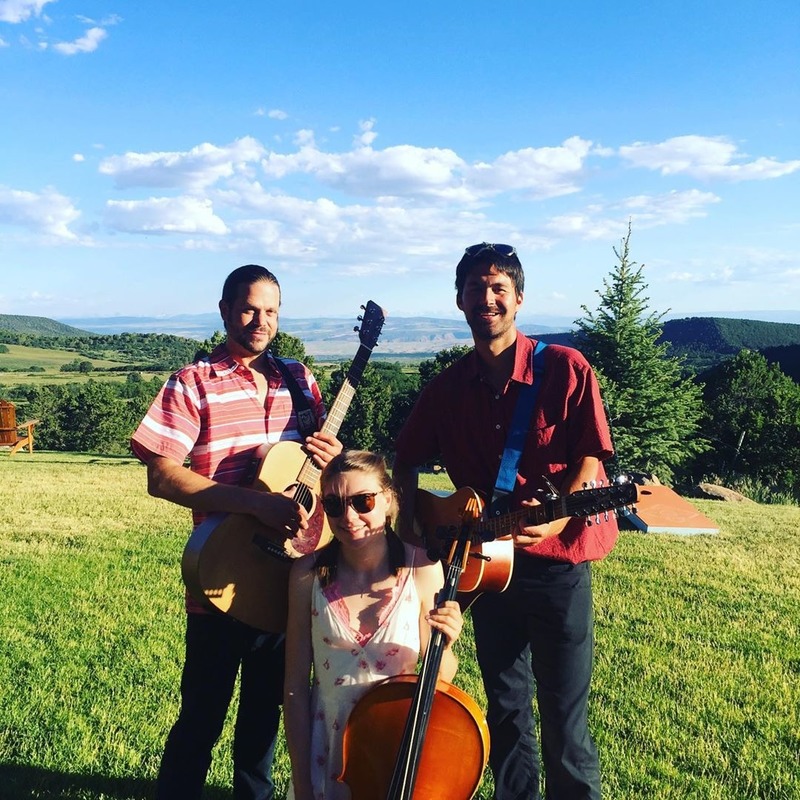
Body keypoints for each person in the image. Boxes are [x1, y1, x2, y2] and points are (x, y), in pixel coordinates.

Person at [392, 243, 620, 800]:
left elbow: (591, 453)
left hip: (556, 567)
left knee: (565, 715)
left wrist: (560, 517)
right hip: (485, 568)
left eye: (499, 288)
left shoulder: (564, 367)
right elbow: (406, 458)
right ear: (459, 300)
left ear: (519, 298)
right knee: (506, 708)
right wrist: (414, 523)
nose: (487, 298)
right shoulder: (446, 388)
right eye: (476, 287)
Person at [130, 264, 342, 800]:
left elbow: (311, 470)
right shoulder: (192, 382)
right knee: (200, 718)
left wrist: (331, 456)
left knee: (263, 725)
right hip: (220, 577)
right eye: (249, 308)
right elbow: (162, 476)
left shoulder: (300, 380)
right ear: (225, 310)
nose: (260, 321)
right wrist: (254, 504)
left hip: (285, 577)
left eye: (271, 311)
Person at [283, 449, 464, 800]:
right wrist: (303, 784)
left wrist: (447, 641)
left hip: (393, 746)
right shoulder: (307, 574)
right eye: (334, 505)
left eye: (362, 501)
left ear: (388, 499)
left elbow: (441, 677)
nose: (349, 517)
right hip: (327, 748)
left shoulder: (422, 569)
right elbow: (294, 687)